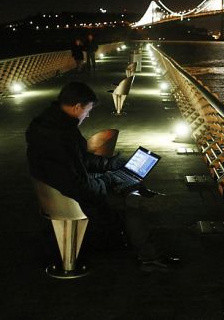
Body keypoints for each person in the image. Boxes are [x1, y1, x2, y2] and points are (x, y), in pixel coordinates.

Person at [25, 82, 180, 270]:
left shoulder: (55, 125)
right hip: (66, 198)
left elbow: (79, 160)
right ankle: (149, 254)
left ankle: (142, 194)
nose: (88, 115)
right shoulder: (58, 135)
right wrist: (107, 179)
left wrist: (108, 163)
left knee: (121, 180)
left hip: (61, 189)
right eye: (88, 110)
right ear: (77, 107)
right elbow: (75, 185)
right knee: (129, 201)